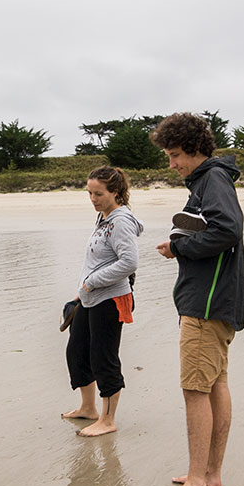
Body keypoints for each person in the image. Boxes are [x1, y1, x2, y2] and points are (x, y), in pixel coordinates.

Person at [150, 113, 244, 486]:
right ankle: (210, 473)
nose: (171, 165)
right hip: (218, 300)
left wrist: (179, 248)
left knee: (195, 389)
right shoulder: (211, 179)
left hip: (206, 304)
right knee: (215, 384)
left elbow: (227, 230)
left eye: (175, 156)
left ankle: (195, 484)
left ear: (195, 150)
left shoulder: (212, 179)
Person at [61, 165, 144, 437]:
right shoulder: (103, 217)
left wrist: (92, 282)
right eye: (89, 193)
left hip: (111, 299)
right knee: (77, 350)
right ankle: (88, 408)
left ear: (116, 192)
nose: (93, 199)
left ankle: (108, 420)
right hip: (89, 297)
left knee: (103, 357)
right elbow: (98, 259)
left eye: (98, 194)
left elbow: (129, 263)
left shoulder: (121, 221)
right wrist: (81, 292)